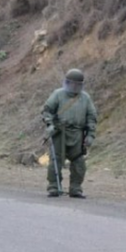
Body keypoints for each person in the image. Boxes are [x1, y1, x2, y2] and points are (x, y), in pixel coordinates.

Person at [42, 69, 97, 199]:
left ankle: (76, 189)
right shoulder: (58, 94)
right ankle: (54, 187)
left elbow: (91, 117)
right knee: (56, 161)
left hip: (78, 134)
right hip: (59, 132)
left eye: (78, 84)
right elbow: (46, 111)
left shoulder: (85, 98)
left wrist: (90, 135)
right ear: (67, 82)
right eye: (72, 84)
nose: (74, 87)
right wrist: (50, 124)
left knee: (79, 163)